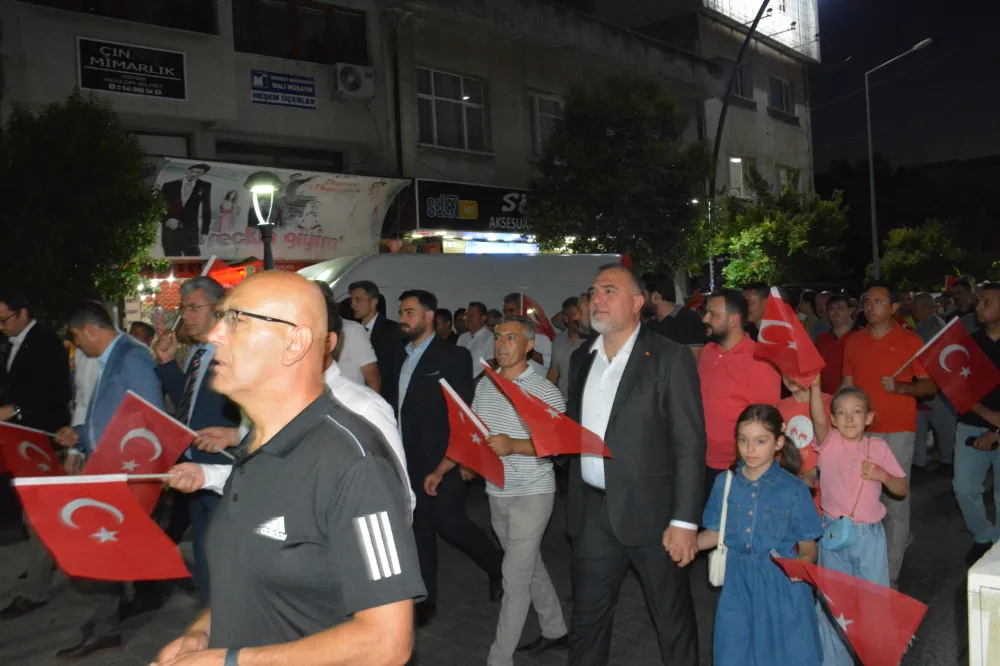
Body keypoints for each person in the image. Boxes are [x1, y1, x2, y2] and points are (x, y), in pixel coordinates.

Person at [154, 272, 424, 666]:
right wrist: (202, 633)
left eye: (236, 320)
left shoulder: (356, 461)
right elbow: (253, 579)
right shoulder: (257, 443)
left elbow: (387, 643)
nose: (214, 335)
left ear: (295, 343)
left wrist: (230, 661)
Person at [167, 278, 416, 514]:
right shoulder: (270, 403)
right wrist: (206, 475)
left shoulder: (361, 408)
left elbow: (396, 501)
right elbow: (264, 478)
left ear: (315, 342)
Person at [566, 264, 705, 665]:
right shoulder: (581, 358)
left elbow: (689, 444)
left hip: (654, 516)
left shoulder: (669, 357)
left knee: (672, 622)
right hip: (594, 511)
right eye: (594, 291)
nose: (597, 298)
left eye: (610, 290)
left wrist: (684, 522)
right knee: (587, 621)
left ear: (638, 302)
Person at [426, 316, 568, 665]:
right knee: (528, 564)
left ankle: (498, 658)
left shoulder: (544, 391)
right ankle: (555, 628)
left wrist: (514, 446)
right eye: (499, 337)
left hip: (533, 492)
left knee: (514, 578)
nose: (502, 344)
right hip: (498, 491)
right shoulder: (487, 386)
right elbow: (471, 437)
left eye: (511, 338)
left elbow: (558, 447)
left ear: (529, 346)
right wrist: (441, 470)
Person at [52, 301, 164, 658]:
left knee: (102, 548)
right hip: (107, 467)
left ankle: (107, 628)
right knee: (106, 549)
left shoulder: (131, 357)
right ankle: (109, 623)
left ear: (89, 329)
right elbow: (108, 412)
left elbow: (151, 417)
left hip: (125, 473)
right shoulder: (110, 357)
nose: (76, 345)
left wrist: (129, 469)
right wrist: (80, 435)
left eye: (75, 337)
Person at [397, 290, 503, 627]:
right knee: (420, 530)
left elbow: (463, 413)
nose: (403, 319)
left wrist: (460, 460)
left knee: (452, 526)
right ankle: (425, 601)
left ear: (429, 316)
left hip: (443, 459)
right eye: (401, 312)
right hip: (408, 459)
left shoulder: (453, 356)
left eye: (410, 312)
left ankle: (499, 567)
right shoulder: (403, 356)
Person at [698, 404, 822, 666]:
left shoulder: (793, 488)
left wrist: (802, 563)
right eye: (743, 440)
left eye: (760, 441)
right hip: (738, 585)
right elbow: (716, 531)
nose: (750, 449)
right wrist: (689, 543)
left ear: (778, 443)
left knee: (780, 656)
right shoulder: (725, 482)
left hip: (780, 585)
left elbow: (808, 545)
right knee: (734, 653)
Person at [153, 276, 241, 606]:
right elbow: (187, 403)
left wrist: (236, 436)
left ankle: (227, 614)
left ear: (217, 309)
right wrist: (166, 364)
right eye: (183, 308)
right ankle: (208, 610)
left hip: (224, 468)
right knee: (203, 549)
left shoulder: (234, 352)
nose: (184, 316)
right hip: (195, 466)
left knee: (224, 553)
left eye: (193, 308)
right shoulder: (197, 352)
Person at [842, 281, 935, 587]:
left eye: (878, 302)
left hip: (897, 430)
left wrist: (901, 388)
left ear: (895, 307)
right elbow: (847, 386)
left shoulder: (911, 341)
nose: (870, 307)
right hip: (860, 432)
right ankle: (886, 549)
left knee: (895, 501)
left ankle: (889, 578)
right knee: (863, 500)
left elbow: (930, 386)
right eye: (867, 301)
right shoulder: (854, 341)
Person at [810, 384, 908, 665]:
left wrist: (882, 476)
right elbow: (817, 420)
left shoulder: (877, 447)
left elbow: (902, 489)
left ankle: (879, 658)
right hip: (832, 533)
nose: (849, 418)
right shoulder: (829, 443)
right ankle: (834, 661)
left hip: (868, 537)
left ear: (869, 417)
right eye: (841, 413)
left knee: (873, 603)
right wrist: (815, 385)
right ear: (833, 419)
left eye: (856, 412)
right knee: (833, 603)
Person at [0, 290, 72, 618]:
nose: (1, 327)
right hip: (21, 440)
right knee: (33, 513)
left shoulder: (46, 343)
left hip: (44, 440)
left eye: (4, 319)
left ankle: (37, 588)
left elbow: (57, 392)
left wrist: (15, 409)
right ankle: (44, 564)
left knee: (38, 515)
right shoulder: (13, 343)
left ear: (23, 313)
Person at [699, 289, 781, 503]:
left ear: (734, 319)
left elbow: (769, 422)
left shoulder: (759, 361)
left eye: (713, 314)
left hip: (739, 468)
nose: (705, 319)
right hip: (701, 462)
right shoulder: (708, 352)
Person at [953, 283, 1000, 565]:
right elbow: (956, 388)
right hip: (970, 425)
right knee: (964, 488)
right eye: (979, 302)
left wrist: (996, 430)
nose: (979, 307)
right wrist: (986, 415)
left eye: (987, 303)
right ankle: (985, 536)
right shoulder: (968, 344)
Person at [911, 291, 956, 472]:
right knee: (922, 425)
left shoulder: (933, 326)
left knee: (943, 426)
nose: (912, 309)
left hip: (934, 386)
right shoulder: (927, 324)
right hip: (926, 385)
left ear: (925, 308)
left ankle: (947, 460)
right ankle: (922, 460)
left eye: (915, 306)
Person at [777, 375, 831, 513]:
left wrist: (815, 472)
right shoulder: (779, 407)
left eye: (798, 371)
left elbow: (840, 451)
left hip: (825, 492)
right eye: (787, 371)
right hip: (791, 490)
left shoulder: (831, 404)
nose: (791, 376)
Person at [348, 280, 406, 410]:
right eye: (351, 300)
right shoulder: (353, 331)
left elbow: (397, 371)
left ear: (373, 302)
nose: (352, 305)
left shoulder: (391, 330)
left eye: (358, 300)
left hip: (385, 402)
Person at [643, 271, 706, 360]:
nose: (640, 300)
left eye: (643, 295)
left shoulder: (689, 320)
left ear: (656, 297)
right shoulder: (649, 326)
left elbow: (692, 362)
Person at [161, 163, 212, 257]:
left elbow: (207, 210)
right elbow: (159, 206)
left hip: (191, 230)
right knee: (172, 259)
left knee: (193, 259)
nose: (194, 174)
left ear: (203, 174)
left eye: (198, 172)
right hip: (170, 230)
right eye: (192, 171)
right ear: (187, 170)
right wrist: (166, 220)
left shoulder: (205, 186)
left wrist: (204, 232)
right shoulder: (169, 185)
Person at [814, 295, 859, 394]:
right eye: (831, 309)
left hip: (855, 397)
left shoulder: (862, 336)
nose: (836, 312)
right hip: (826, 397)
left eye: (840, 308)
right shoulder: (821, 339)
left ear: (850, 311)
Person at [547, 296, 587, 400]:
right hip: (562, 401)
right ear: (565, 318)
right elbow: (554, 371)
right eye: (575, 314)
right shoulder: (558, 340)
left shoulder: (591, 340)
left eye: (581, 313)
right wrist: (545, 398)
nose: (579, 318)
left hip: (584, 401)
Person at [504, 293, 551, 373]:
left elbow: (551, 366)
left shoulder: (541, 338)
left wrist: (529, 350)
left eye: (511, 310)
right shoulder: (502, 337)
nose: (507, 315)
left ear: (523, 309)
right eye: (505, 311)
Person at [458, 301, 495, 378]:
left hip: (478, 383)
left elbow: (490, 368)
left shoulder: (490, 338)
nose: (467, 319)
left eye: (471, 316)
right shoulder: (462, 338)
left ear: (483, 318)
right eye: (467, 316)